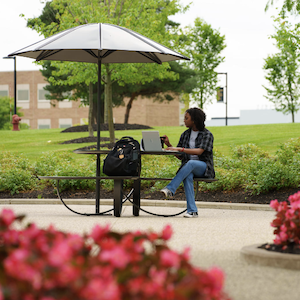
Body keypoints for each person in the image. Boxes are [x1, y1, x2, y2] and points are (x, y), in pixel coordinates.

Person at [160, 107, 215, 218]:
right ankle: (192, 211)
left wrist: (181, 149)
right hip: (188, 167)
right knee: (187, 175)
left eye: (186, 118)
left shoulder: (207, 135)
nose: (184, 120)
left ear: (194, 120)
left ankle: (170, 189)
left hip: (204, 167)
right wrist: (169, 145)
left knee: (190, 163)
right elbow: (181, 157)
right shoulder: (185, 134)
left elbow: (199, 151)